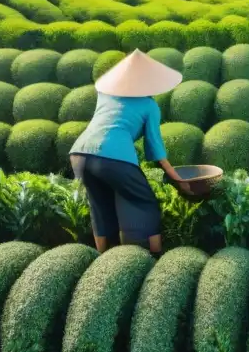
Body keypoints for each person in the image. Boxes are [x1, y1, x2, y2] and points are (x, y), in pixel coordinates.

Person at [69, 49, 190, 255]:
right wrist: (179, 180)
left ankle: (102, 258)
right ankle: (156, 256)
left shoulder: (105, 95)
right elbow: (156, 149)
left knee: (100, 204)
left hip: (79, 154)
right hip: (114, 158)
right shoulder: (149, 106)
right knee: (145, 201)